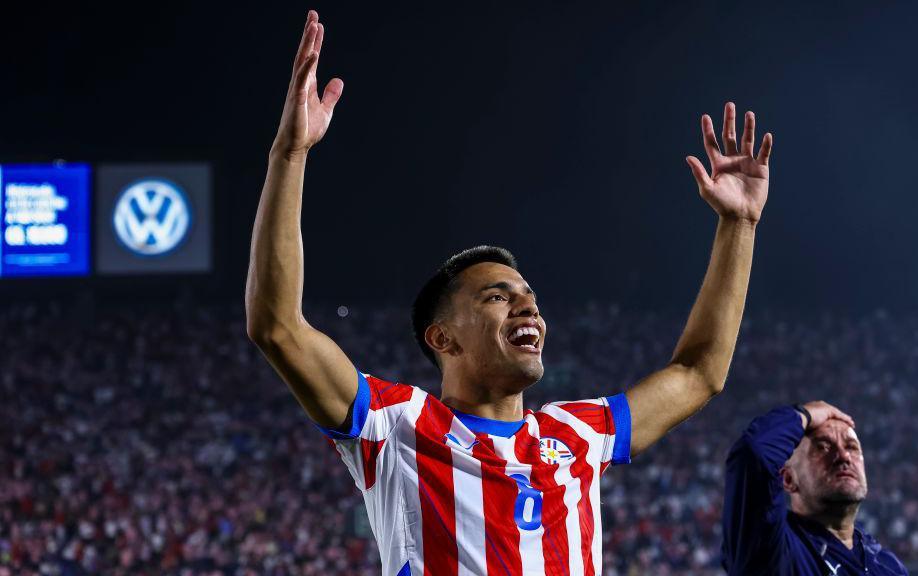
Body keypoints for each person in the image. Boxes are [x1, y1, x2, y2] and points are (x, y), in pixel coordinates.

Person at [245, 10, 772, 575]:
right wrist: (289, 155)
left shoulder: (575, 434)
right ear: (442, 337)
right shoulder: (397, 425)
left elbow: (699, 373)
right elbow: (278, 327)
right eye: (497, 297)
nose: (529, 307)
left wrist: (738, 226)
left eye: (530, 298)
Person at [721, 401, 909, 575]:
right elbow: (755, 453)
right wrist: (804, 414)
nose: (844, 456)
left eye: (851, 447)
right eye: (823, 447)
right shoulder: (772, 546)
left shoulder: (888, 566)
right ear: (787, 479)